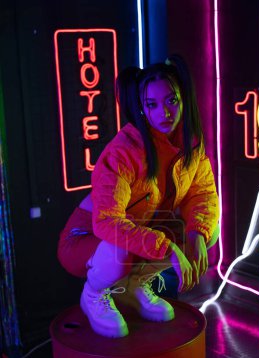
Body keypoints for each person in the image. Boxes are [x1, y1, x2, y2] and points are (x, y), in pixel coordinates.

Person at [57, 54, 219, 338]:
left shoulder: (191, 145)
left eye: (172, 101)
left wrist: (197, 234)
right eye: (152, 104)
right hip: (85, 238)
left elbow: (202, 194)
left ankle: (135, 286)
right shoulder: (123, 152)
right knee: (120, 246)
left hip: (136, 230)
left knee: (210, 231)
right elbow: (107, 223)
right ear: (142, 109)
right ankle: (94, 294)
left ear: (184, 100)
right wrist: (168, 249)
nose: (164, 113)